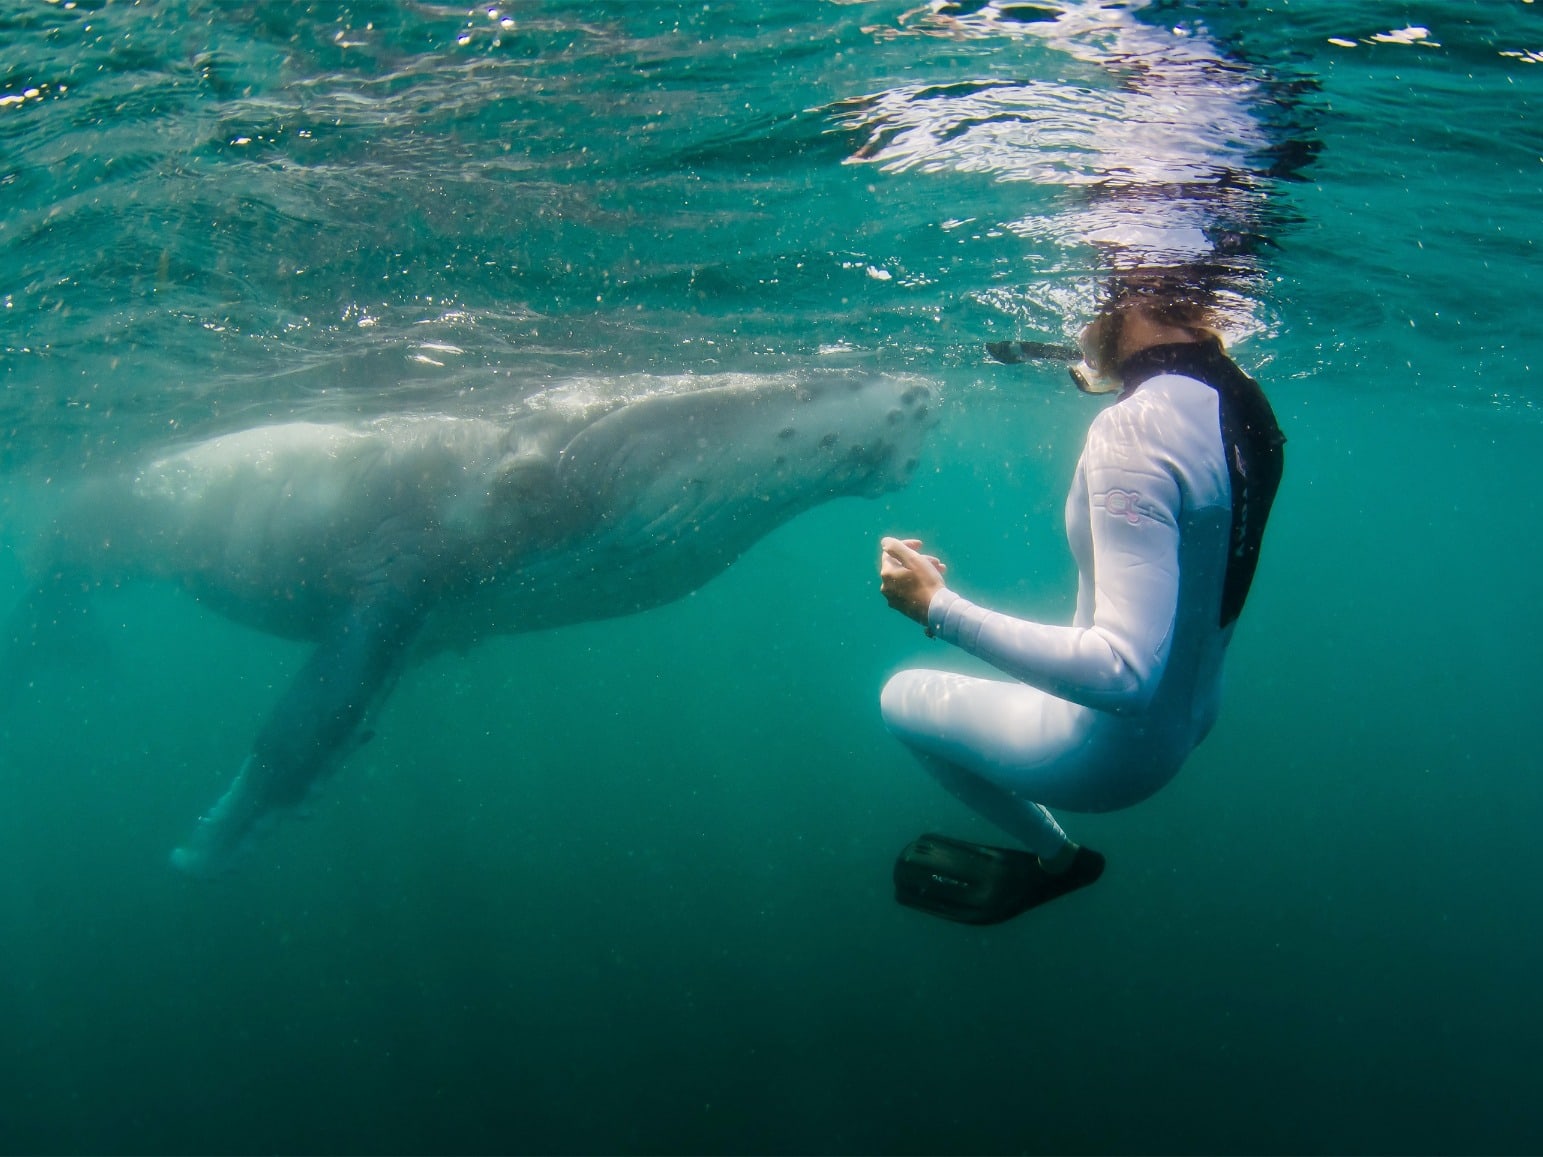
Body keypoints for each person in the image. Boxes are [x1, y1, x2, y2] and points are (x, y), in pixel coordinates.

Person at [878, 274, 1285, 924]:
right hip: (1192, 716)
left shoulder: (1132, 430)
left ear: (1132, 293)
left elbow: (1123, 673)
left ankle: (1059, 860)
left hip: (1105, 756)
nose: (1082, 316)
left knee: (897, 698)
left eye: (1099, 282)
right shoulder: (1241, 401)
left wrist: (935, 607)